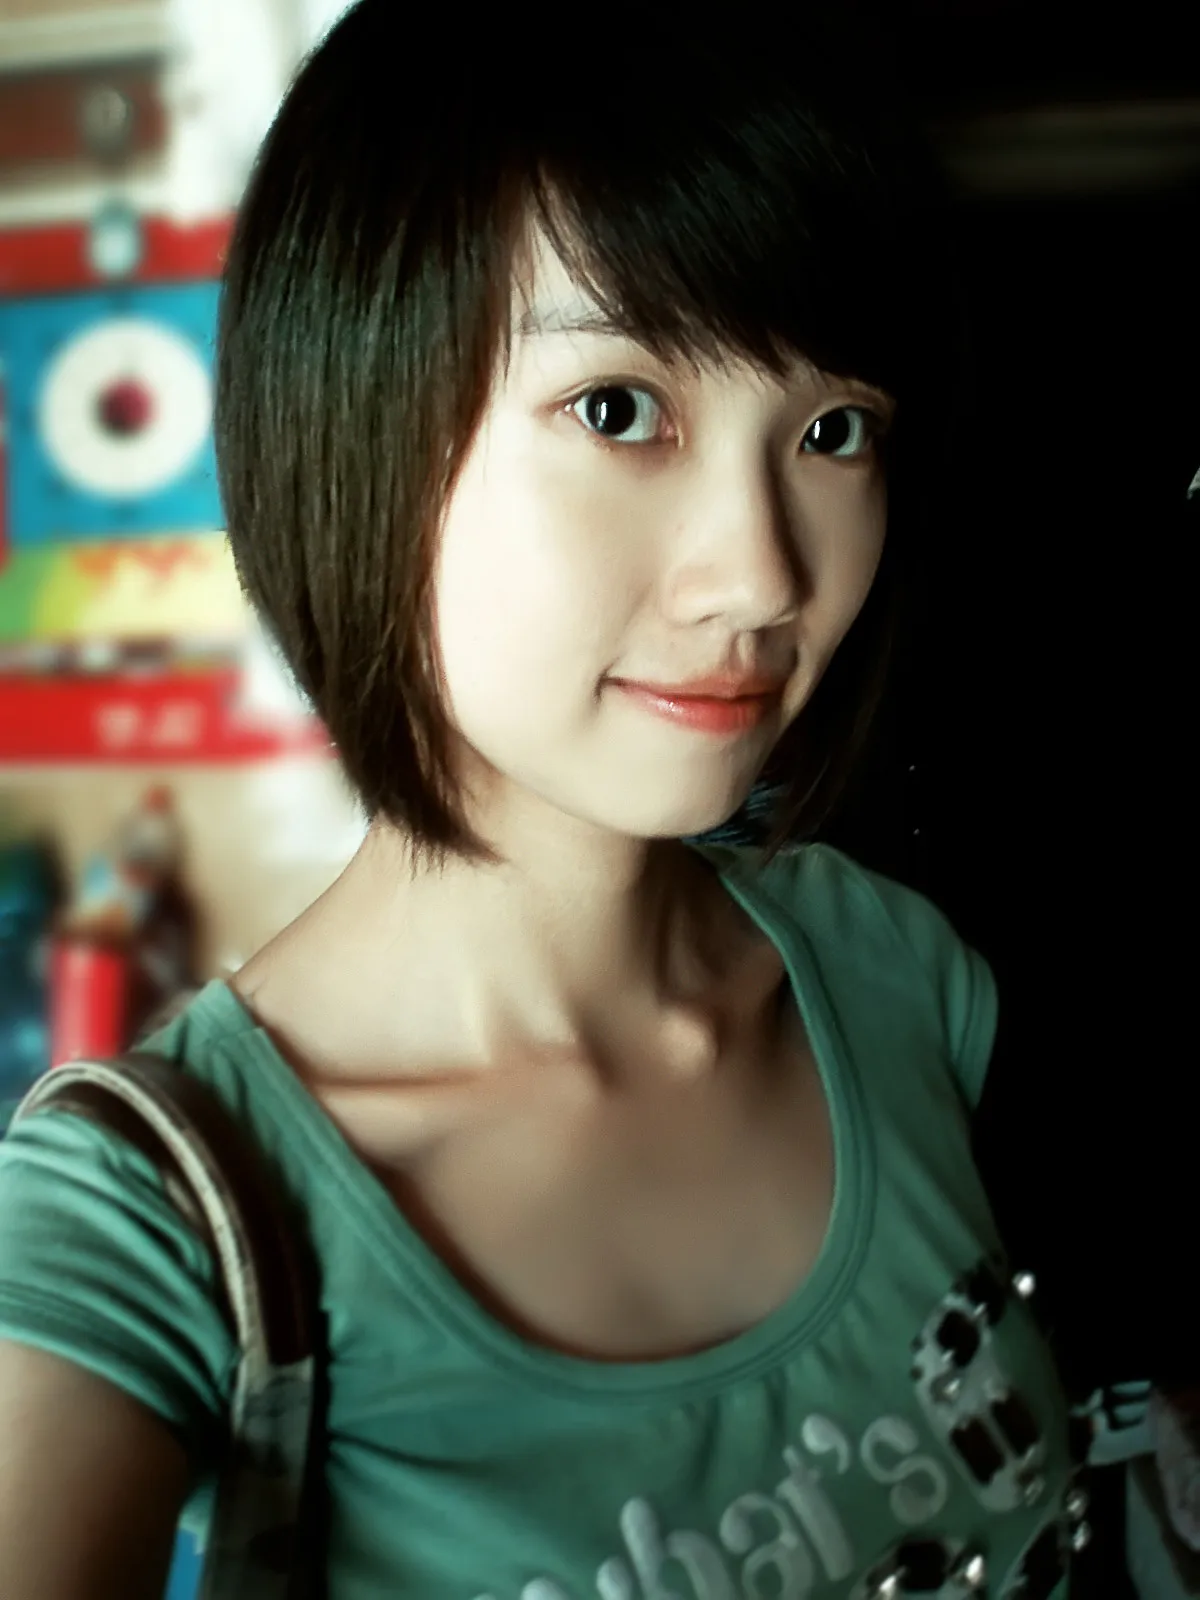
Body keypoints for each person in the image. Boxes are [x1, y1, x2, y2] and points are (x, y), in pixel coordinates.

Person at [0, 5, 1083, 1596]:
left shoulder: (891, 970)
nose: (762, 575)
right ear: (357, 420)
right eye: (619, 409)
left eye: (832, 431)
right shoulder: (150, 1219)